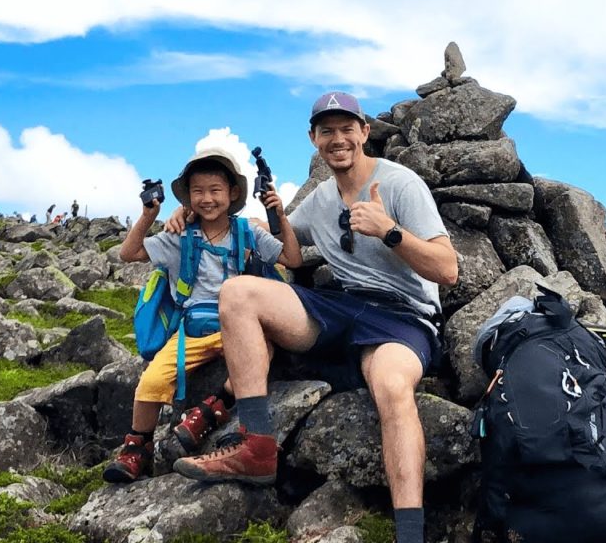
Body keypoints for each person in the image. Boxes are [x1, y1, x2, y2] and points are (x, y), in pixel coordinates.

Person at [172, 92, 458, 543]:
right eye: (327, 131)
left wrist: (389, 231)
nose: (337, 139)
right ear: (313, 139)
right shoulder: (322, 198)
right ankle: (257, 447)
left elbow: (448, 269)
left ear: (365, 132)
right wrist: (192, 215)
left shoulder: (400, 184)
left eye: (347, 129)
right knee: (238, 292)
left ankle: (409, 533)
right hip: (340, 306)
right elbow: (274, 232)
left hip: (402, 316)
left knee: (391, 386)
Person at [103, 147, 302, 483]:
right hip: (191, 330)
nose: (207, 199)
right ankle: (137, 448)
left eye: (215, 190)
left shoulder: (248, 232)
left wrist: (280, 217)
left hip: (236, 324)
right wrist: (149, 215)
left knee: (262, 352)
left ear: (233, 193)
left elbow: (293, 259)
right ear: (188, 198)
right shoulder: (179, 237)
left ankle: (210, 411)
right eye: (198, 191)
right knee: (150, 382)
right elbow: (129, 253)